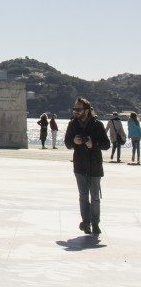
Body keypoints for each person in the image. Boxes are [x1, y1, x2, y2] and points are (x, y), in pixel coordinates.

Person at [65, 96, 110, 236]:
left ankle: (95, 223)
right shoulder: (72, 124)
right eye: (74, 109)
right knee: (83, 196)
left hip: (95, 165)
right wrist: (74, 142)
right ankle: (86, 223)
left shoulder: (97, 125)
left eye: (78, 109)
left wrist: (93, 144)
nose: (76, 111)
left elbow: (107, 144)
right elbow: (67, 143)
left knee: (95, 197)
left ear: (87, 110)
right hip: (79, 166)